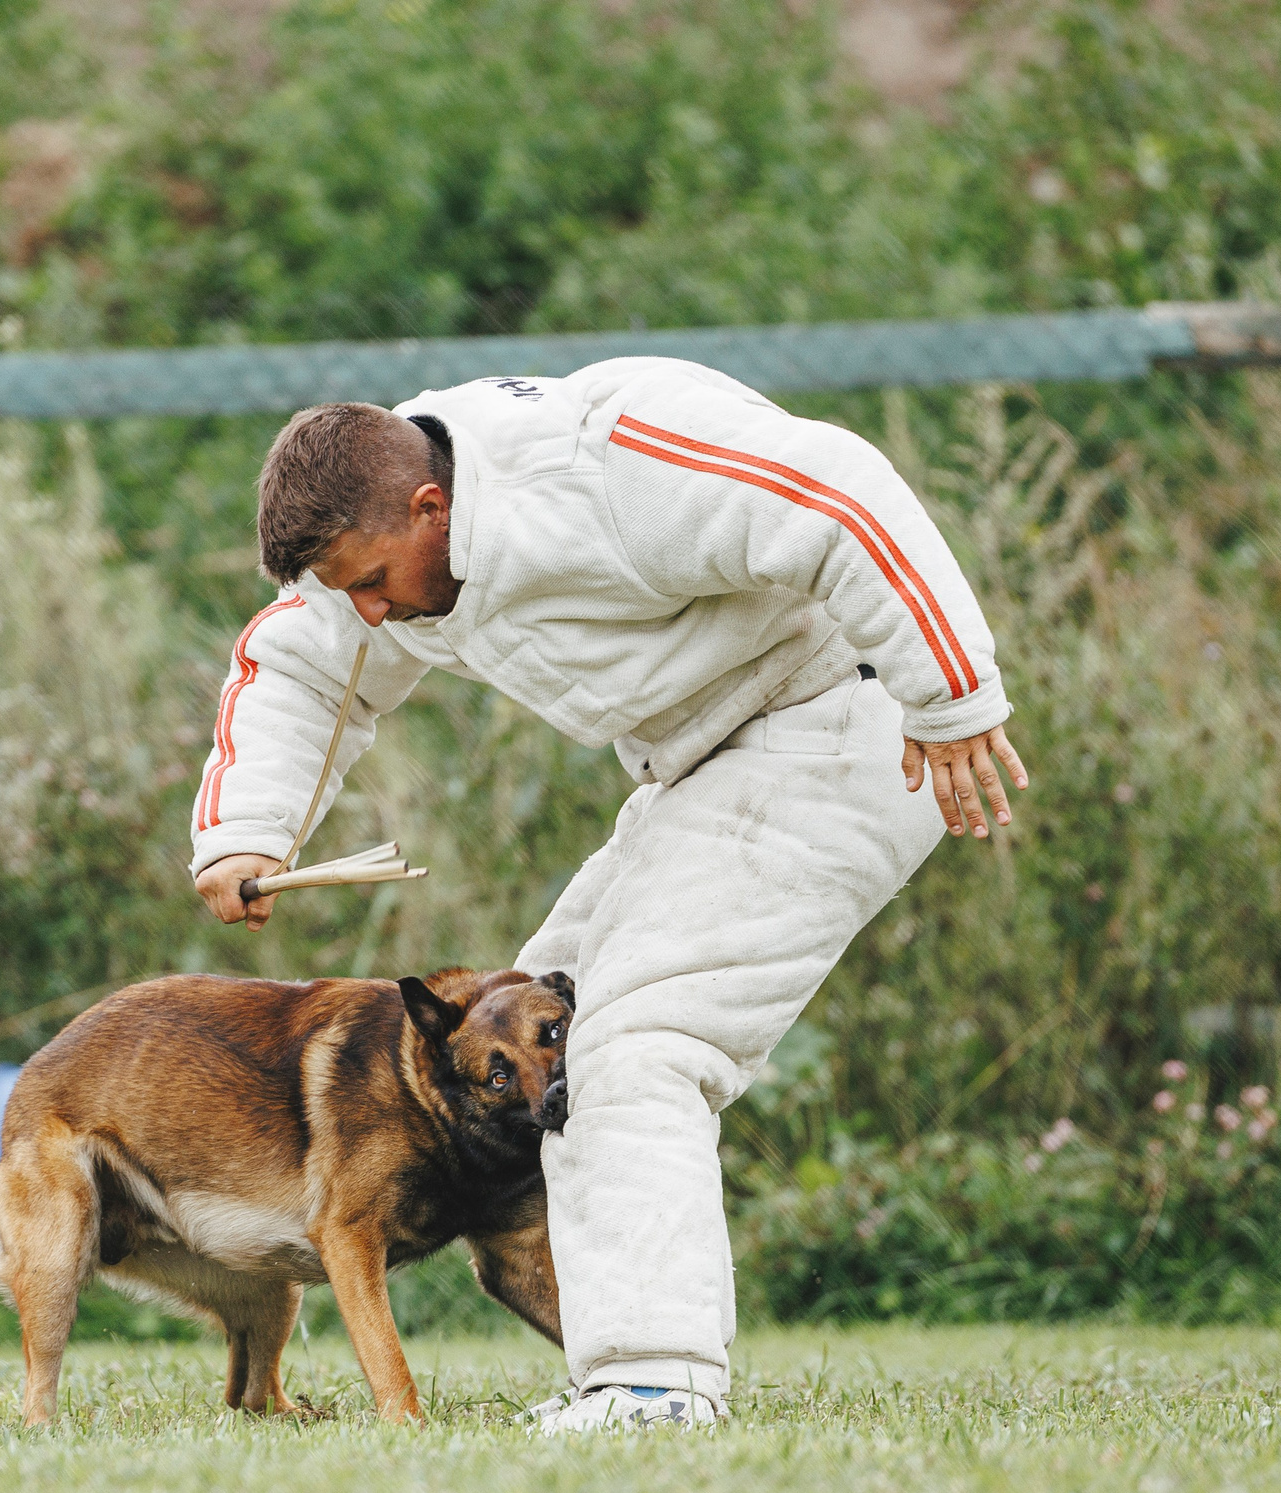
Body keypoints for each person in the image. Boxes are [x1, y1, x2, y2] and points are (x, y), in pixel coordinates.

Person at [190, 358, 1028, 1432]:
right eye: (347, 592)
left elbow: (836, 489)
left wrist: (952, 700)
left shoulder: (607, 461)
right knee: (529, 1025)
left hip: (849, 727)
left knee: (629, 1046)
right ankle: (612, 1353)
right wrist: (244, 834)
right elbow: (300, 667)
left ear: (430, 505)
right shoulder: (379, 536)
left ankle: (656, 1387)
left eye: (373, 581)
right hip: (702, 766)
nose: (369, 611)